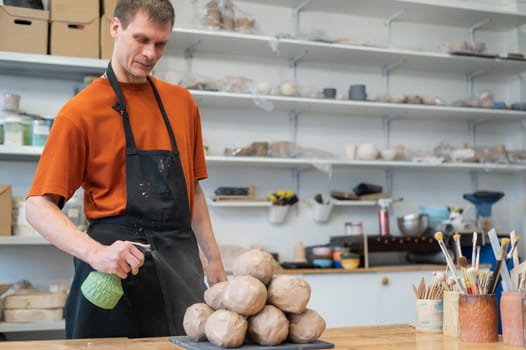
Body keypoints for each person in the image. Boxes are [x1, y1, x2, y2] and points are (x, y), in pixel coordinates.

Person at [25, 0, 226, 339]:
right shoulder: (81, 112)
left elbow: (192, 189)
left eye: (161, 43)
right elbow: (37, 206)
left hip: (180, 265)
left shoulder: (182, 104)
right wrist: (96, 254)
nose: (151, 53)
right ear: (116, 28)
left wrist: (215, 260)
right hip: (114, 271)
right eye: (141, 39)